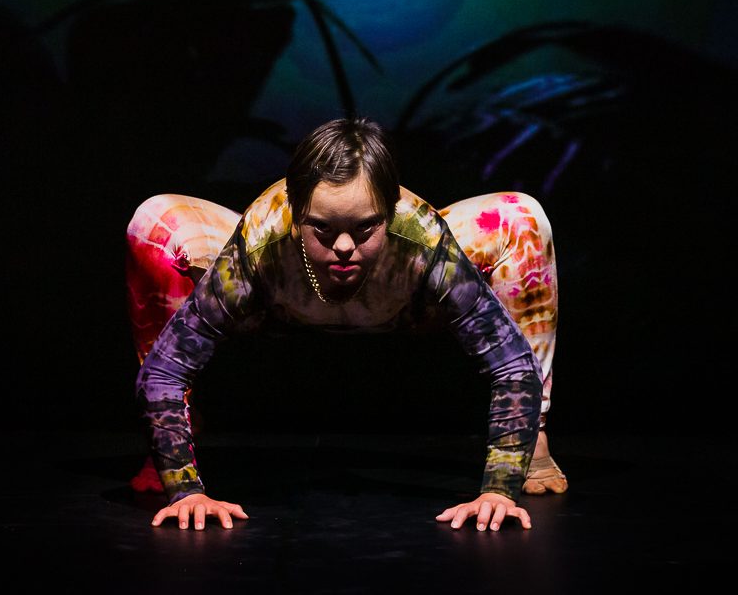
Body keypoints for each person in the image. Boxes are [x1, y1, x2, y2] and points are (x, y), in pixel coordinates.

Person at [129, 117, 566, 532]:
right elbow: (165, 370)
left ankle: (534, 437)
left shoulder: (423, 240)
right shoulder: (259, 244)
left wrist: (500, 490)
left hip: (407, 304)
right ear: (298, 213)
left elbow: (511, 364)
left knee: (520, 216)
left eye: (365, 227)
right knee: (155, 220)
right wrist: (183, 489)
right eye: (321, 228)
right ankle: (171, 434)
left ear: (390, 212)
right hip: (273, 305)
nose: (342, 247)